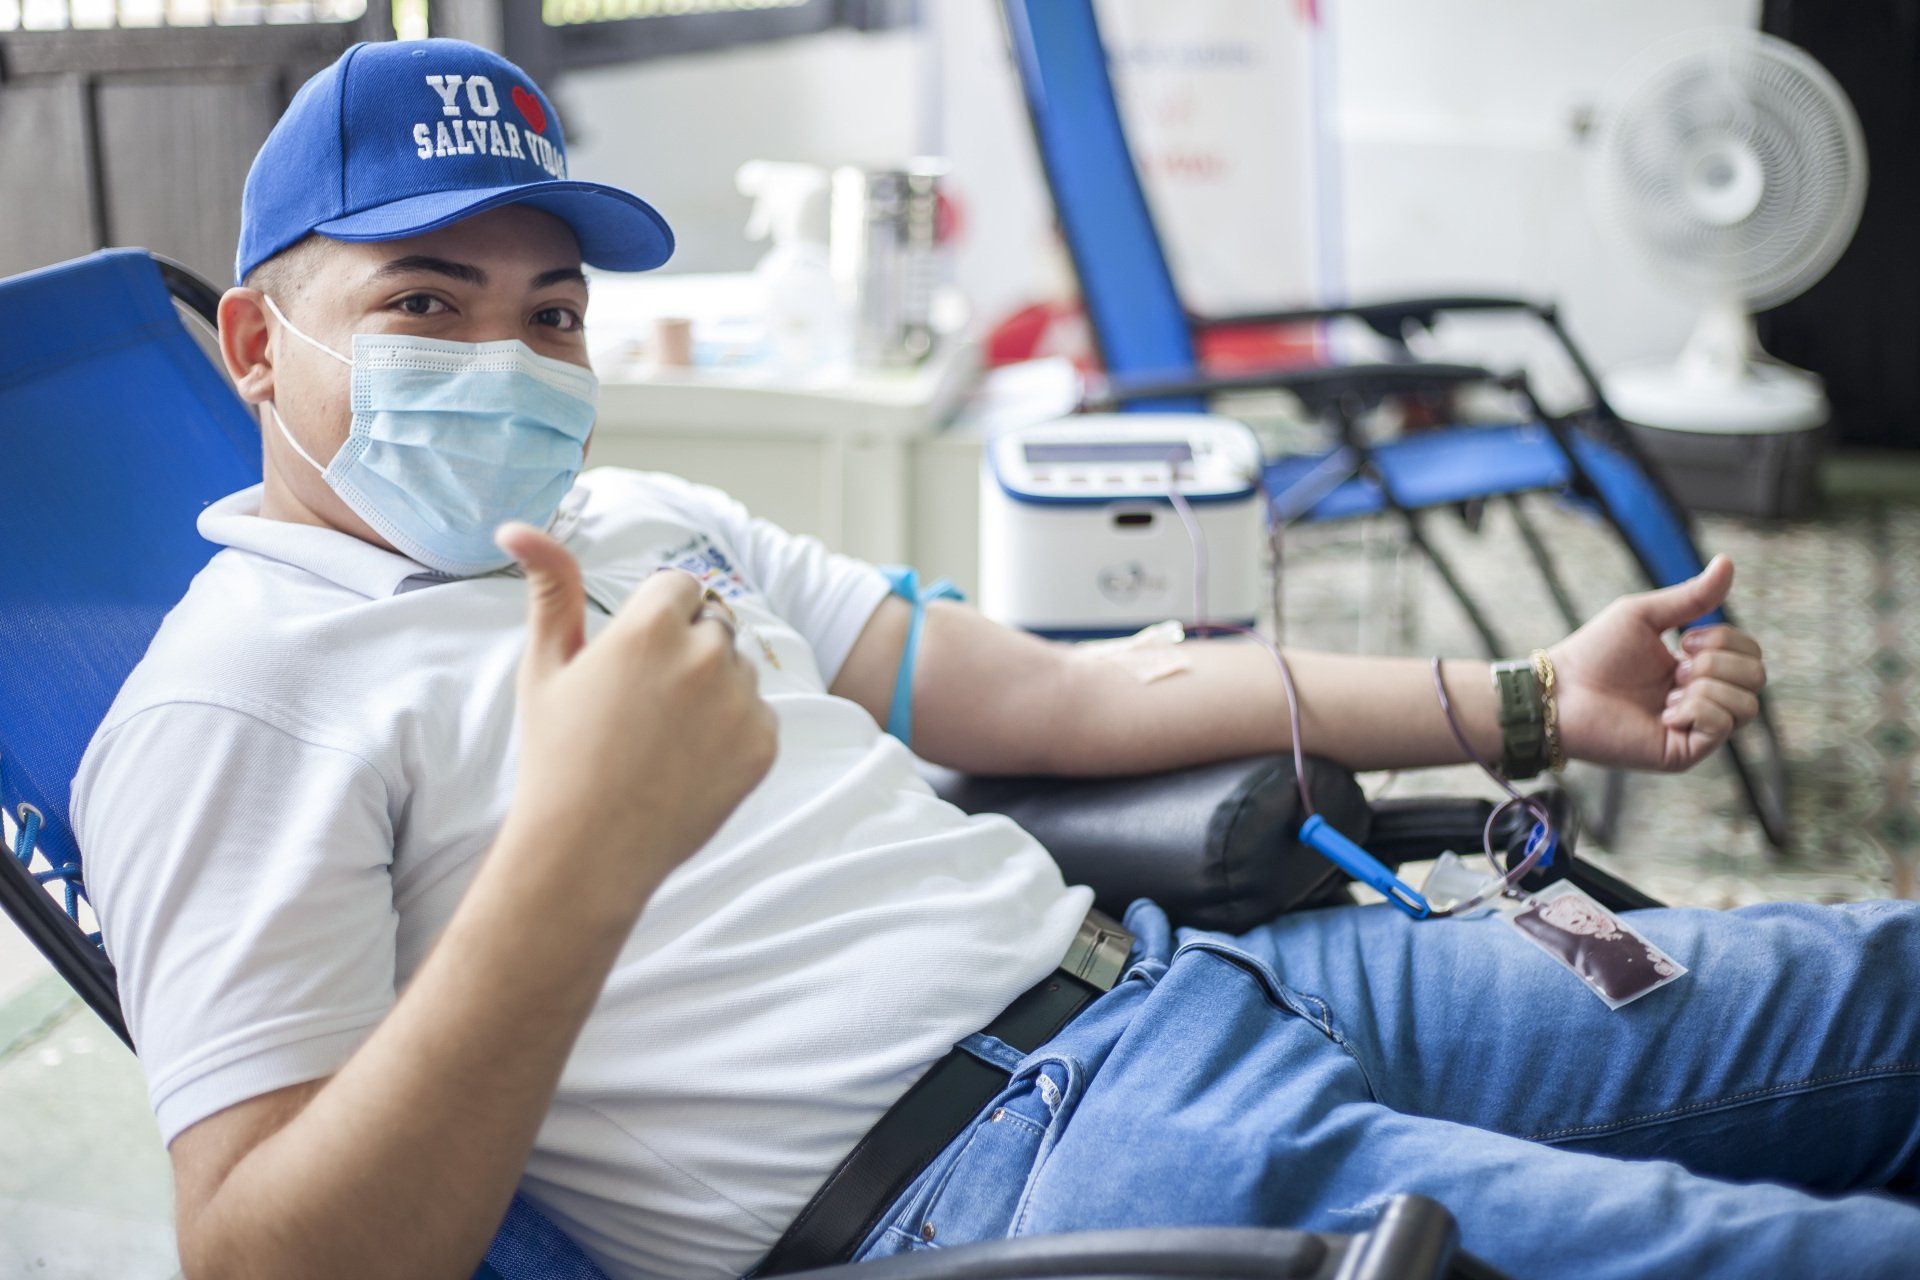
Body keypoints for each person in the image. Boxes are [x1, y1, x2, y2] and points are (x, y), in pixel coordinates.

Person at [69, 38, 1916, 1280]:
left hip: (1213, 985)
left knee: (1881, 987)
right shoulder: (237, 701)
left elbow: (1072, 694)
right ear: (252, 345)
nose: (508, 355)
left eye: (548, 310)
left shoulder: (644, 515)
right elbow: (263, 1250)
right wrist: (582, 846)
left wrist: (1523, 697)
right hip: (1010, 1182)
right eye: (420, 303)